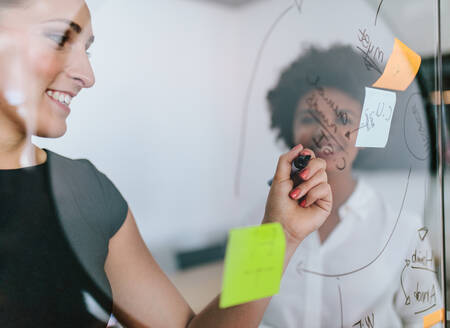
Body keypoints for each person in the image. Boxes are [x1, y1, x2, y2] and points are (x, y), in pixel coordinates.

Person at [0, 1, 334, 327]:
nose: (87, 75)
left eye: (86, 50)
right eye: (59, 38)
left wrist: (278, 235)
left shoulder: (87, 192)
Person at [257, 45, 442, 327]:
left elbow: (428, 322)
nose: (325, 131)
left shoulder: (404, 230)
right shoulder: (256, 226)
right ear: (289, 127)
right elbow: (238, 318)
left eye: (343, 118)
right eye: (309, 118)